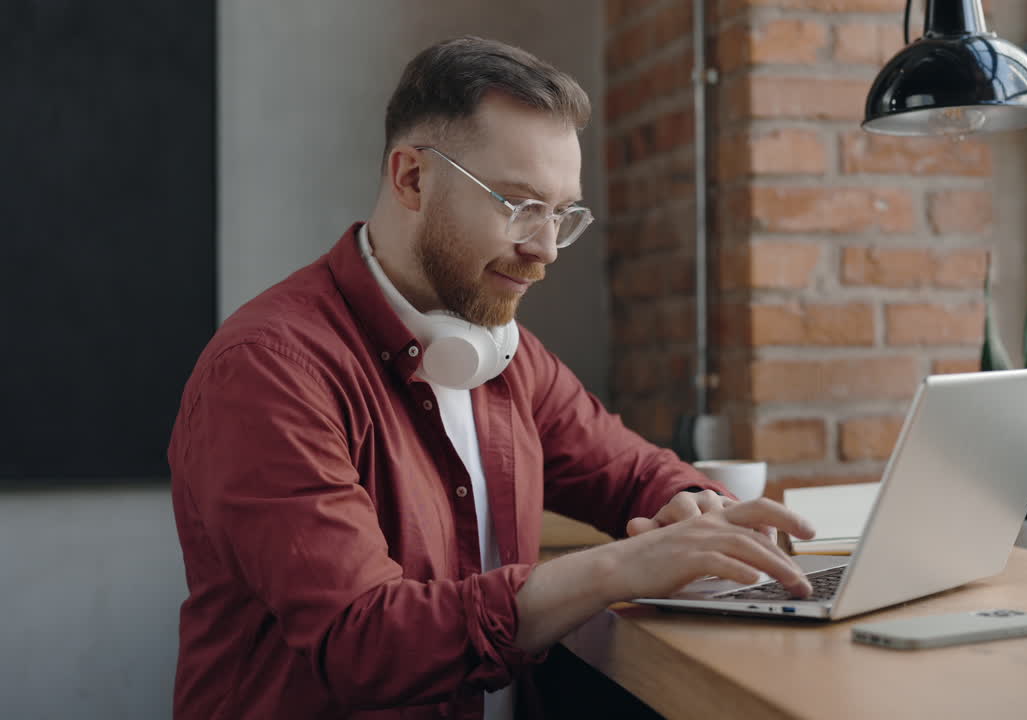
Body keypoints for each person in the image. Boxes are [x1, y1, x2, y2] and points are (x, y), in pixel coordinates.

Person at [168, 36, 815, 720]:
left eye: (563, 215)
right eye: (518, 204)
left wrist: (693, 505)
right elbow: (363, 641)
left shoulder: (507, 356)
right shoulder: (269, 370)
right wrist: (619, 568)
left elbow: (633, 470)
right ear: (411, 178)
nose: (544, 248)